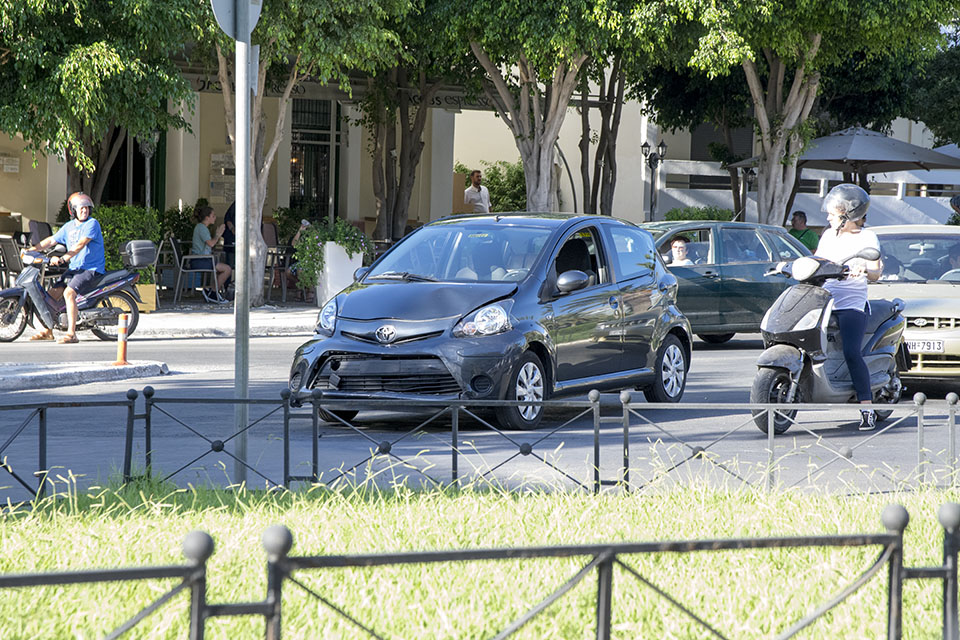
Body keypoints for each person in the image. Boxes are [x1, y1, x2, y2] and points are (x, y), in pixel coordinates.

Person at [814, 183, 882, 431]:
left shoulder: (867, 237)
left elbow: (875, 271)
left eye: (832, 213)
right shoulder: (827, 235)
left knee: (852, 353)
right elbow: (818, 262)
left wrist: (865, 268)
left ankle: (866, 408)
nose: (828, 217)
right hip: (823, 300)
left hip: (851, 304)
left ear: (847, 214)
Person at [25, 192, 106, 344]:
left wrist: (63, 258)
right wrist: (32, 250)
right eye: (81, 208)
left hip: (91, 269)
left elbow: (81, 244)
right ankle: (48, 331)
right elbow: (51, 241)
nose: (85, 211)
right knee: (51, 294)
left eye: (87, 208)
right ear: (73, 210)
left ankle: (72, 334)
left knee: (69, 293)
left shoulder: (92, 224)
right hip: (75, 269)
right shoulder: (69, 227)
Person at [191, 206, 232, 303]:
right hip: (200, 260)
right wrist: (218, 234)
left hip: (203, 259)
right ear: (207, 217)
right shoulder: (202, 228)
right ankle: (213, 292)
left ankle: (211, 291)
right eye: (213, 216)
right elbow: (211, 243)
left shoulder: (202, 228)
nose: (215, 218)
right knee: (227, 269)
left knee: (222, 269)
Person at [222, 201, 236, 268]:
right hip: (232, 239)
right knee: (230, 264)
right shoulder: (236, 205)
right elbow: (228, 219)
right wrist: (232, 229)